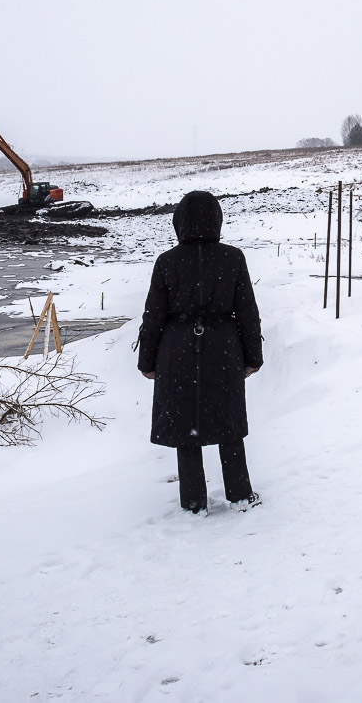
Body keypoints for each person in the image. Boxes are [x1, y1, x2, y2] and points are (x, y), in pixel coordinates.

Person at [137, 191, 263, 514]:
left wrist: (147, 361)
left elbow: (153, 316)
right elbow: (247, 312)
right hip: (223, 350)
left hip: (177, 351)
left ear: (179, 223)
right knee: (228, 424)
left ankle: (193, 503)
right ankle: (239, 495)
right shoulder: (233, 258)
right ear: (217, 221)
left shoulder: (167, 262)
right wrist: (252, 357)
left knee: (186, 430)